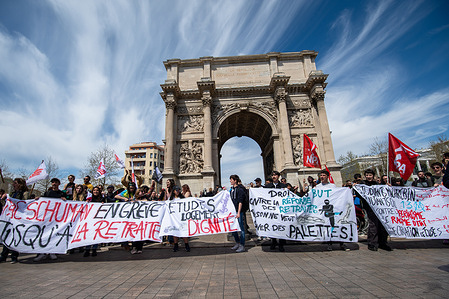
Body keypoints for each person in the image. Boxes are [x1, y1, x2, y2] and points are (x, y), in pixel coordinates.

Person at [316, 170, 349, 251]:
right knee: (326, 227)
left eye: (324, 175)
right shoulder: (317, 187)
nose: (322, 177)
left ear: (327, 176)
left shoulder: (333, 186)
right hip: (324, 213)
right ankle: (329, 243)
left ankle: (341, 243)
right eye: (321, 175)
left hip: (332, 210)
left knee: (336, 226)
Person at [34, 178, 65, 262]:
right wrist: (38, 199)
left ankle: (52, 252)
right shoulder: (47, 193)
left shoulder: (61, 193)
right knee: (44, 235)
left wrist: (64, 200)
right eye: (53, 182)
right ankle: (42, 253)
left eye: (56, 182)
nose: (54, 184)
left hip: (56, 218)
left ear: (59, 183)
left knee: (54, 234)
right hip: (47, 218)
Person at [361, 169, 392, 252]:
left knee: (382, 225)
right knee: (373, 226)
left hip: (380, 208)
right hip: (370, 207)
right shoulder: (362, 184)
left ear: (373, 176)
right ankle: (372, 243)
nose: (368, 177)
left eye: (370, 175)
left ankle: (383, 242)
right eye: (367, 175)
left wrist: (388, 187)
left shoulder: (378, 184)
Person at [0, 178, 29, 264]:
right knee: (7, 237)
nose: (13, 184)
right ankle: (3, 255)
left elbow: (25, 204)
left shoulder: (25, 193)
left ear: (20, 184)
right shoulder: (12, 194)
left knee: (16, 237)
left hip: (18, 219)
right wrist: (4, 198)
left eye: (15, 183)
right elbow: (5, 205)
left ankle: (14, 256)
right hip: (10, 218)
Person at [264, 171, 287, 251]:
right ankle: (273, 241)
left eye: (275, 175)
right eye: (272, 175)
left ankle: (281, 244)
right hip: (271, 210)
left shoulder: (283, 186)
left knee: (280, 226)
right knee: (272, 226)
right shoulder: (267, 187)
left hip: (280, 210)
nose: (273, 176)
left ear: (279, 176)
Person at [84, 186, 104, 257]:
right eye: (94, 190)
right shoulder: (89, 199)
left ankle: (94, 249)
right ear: (92, 191)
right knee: (88, 234)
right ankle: (87, 249)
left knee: (95, 234)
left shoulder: (102, 199)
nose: (96, 191)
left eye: (97, 190)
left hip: (98, 219)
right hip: (89, 218)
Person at [229, 175, 246, 253]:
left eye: (231, 180)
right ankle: (237, 242)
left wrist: (239, 212)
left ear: (235, 180)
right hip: (232, 212)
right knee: (233, 228)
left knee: (241, 229)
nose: (230, 181)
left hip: (238, 212)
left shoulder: (240, 190)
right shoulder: (231, 190)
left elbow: (240, 202)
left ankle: (242, 245)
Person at [172, 186, 191, 252]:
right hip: (174, 218)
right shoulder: (171, 199)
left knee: (183, 232)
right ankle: (176, 245)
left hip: (181, 217)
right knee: (175, 232)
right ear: (174, 191)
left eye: (178, 190)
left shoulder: (182, 198)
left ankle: (186, 245)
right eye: (176, 190)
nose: (177, 191)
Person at [130, 188, 147, 254]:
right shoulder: (133, 199)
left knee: (140, 234)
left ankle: (140, 248)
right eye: (141, 191)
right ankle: (134, 247)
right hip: (134, 219)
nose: (142, 192)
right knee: (134, 233)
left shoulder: (144, 198)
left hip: (142, 219)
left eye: (143, 191)